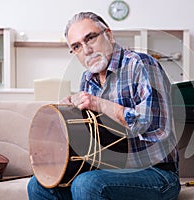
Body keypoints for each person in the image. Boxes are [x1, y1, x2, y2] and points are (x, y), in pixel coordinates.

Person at [27, 11, 180, 200]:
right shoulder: (88, 79)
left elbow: (155, 127)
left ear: (108, 34)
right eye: (76, 46)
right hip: (109, 172)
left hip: (157, 174)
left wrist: (98, 103)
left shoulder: (141, 65)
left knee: (87, 184)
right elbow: (90, 137)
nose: (86, 50)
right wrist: (69, 116)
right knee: (38, 185)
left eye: (90, 38)